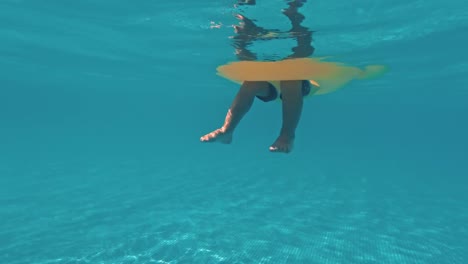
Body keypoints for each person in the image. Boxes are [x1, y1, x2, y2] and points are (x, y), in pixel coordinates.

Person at [200, 0, 315, 153]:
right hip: (271, 84)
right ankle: (226, 131)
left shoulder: (297, 51)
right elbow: (244, 56)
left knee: (290, 79)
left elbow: (305, 46)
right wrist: (242, 37)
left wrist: (294, 16)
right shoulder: (253, 39)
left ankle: (287, 135)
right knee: (251, 82)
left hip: (301, 84)